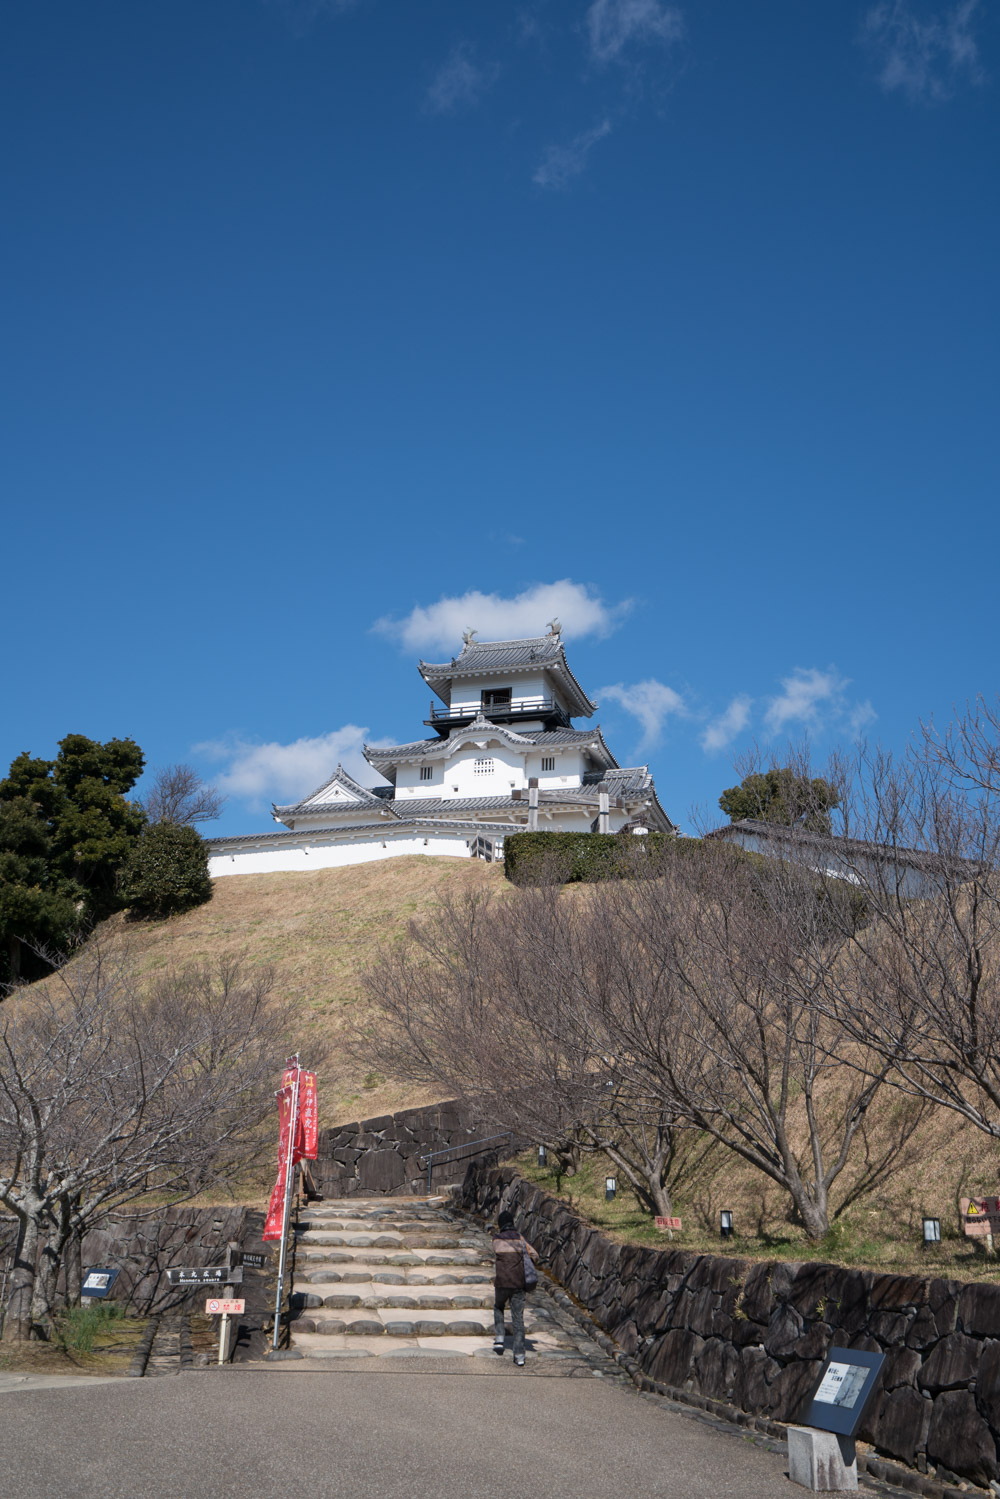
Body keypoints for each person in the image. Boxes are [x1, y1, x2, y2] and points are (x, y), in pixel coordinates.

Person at [491, 1209, 538, 1367]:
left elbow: (498, 1252)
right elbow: (535, 1255)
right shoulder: (520, 1239)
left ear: (500, 1224)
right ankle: (519, 1355)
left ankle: (499, 1339)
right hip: (518, 1284)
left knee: (498, 1307)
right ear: (512, 1222)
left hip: (502, 1283)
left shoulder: (496, 1239)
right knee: (518, 1319)